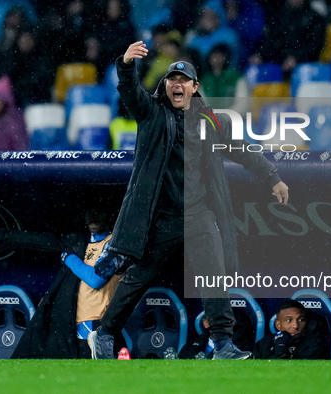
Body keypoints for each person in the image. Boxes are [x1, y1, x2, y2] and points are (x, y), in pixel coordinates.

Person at [85, 41, 290, 360]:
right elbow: (130, 92)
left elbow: (241, 149)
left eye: (183, 80)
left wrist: (271, 176)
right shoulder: (151, 113)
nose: (176, 84)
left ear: (195, 87)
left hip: (198, 215)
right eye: (171, 79)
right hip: (159, 217)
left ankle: (223, 344)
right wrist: (125, 65)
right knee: (138, 279)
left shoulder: (210, 122)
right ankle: (105, 333)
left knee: (213, 275)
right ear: (165, 85)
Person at [0, 209, 126, 359]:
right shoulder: (77, 241)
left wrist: (69, 258)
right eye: (90, 213)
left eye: (99, 213)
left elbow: (95, 279)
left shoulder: (117, 244)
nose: (94, 218)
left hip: (99, 329)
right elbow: (32, 240)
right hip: (68, 330)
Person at [253, 299, 331, 360]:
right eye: (289, 320)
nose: (296, 326)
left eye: (301, 320)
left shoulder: (313, 346)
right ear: (278, 325)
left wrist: (281, 348)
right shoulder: (264, 344)